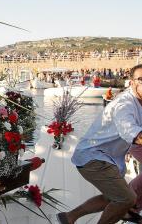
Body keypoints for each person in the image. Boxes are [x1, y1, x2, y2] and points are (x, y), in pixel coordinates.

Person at [57, 64, 142, 224]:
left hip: (105, 159)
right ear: (131, 83)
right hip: (93, 157)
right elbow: (130, 131)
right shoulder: (125, 104)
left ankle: (69, 217)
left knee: (112, 197)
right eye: (141, 79)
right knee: (126, 199)